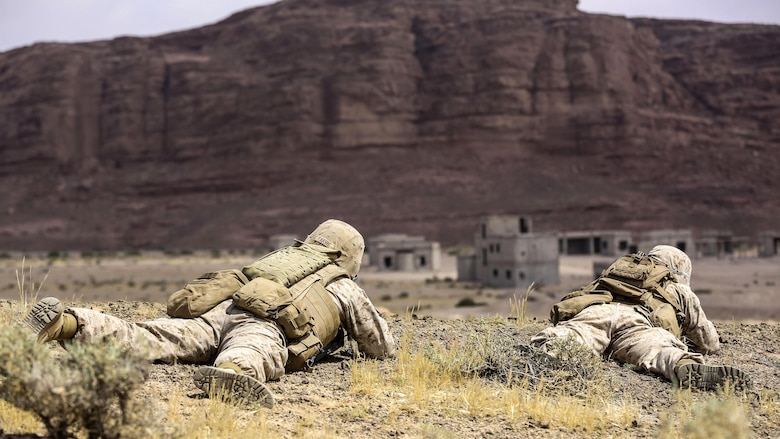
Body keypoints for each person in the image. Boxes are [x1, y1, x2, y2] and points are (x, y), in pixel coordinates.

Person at [22, 219, 396, 408]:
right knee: (253, 347)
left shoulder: (280, 259)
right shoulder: (343, 285)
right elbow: (380, 346)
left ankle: (69, 322)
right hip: (264, 320)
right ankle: (231, 375)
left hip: (221, 309)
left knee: (155, 336)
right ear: (351, 257)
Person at [531, 244, 749, 390]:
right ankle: (683, 364)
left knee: (573, 336)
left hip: (597, 311)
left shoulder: (616, 273)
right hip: (638, 321)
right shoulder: (678, 289)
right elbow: (708, 342)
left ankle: (548, 349)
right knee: (657, 348)